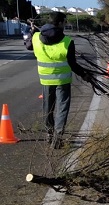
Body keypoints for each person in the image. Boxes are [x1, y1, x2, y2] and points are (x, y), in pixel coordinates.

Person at [25, 11, 90, 148]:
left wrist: (31, 31)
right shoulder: (67, 41)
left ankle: (49, 133)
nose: (65, 24)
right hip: (63, 81)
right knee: (62, 109)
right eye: (65, 22)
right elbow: (73, 64)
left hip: (46, 80)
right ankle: (57, 137)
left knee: (48, 108)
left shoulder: (37, 37)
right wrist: (84, 75)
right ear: (60, 23)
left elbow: (28, 45)